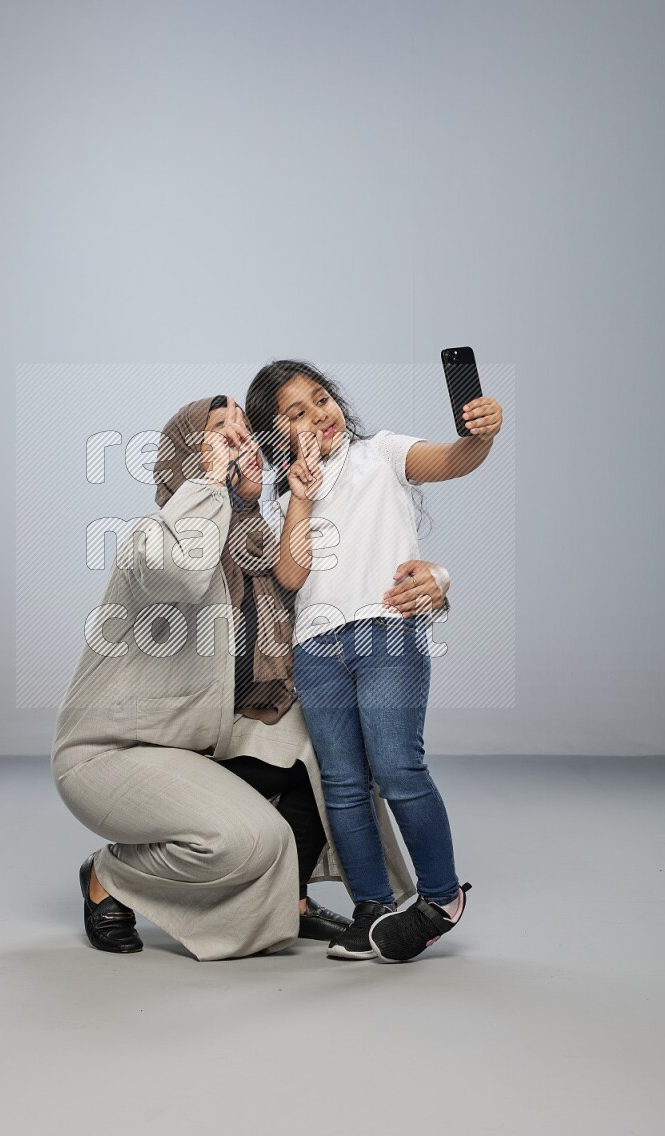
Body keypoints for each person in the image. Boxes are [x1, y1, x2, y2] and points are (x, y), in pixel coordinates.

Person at [51, 393, 452, 961]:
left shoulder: (263, 550)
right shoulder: (152, 537)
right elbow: (184, 573)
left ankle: (290, 897)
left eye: (246, 432)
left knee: (331, 740)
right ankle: (111, 875)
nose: (244, 443)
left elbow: (344, 597)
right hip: (113, 754)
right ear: (187, 459)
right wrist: (211, 478)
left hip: (195, 748)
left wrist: (435, 581)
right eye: (221, 432)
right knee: (250, 841)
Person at [245, 359, 503, 962]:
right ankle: (371, 906)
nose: (317, 415)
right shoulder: (292, 499)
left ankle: (442, 897)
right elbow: (290, 574)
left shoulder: (381, 453)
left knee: (396, 767)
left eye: (321, 398)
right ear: (277, 435)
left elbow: (452, 460)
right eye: (296, 413)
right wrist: (301, 499)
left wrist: (480, 434)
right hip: (317, 648)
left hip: (388, 633)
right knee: (342, 783)